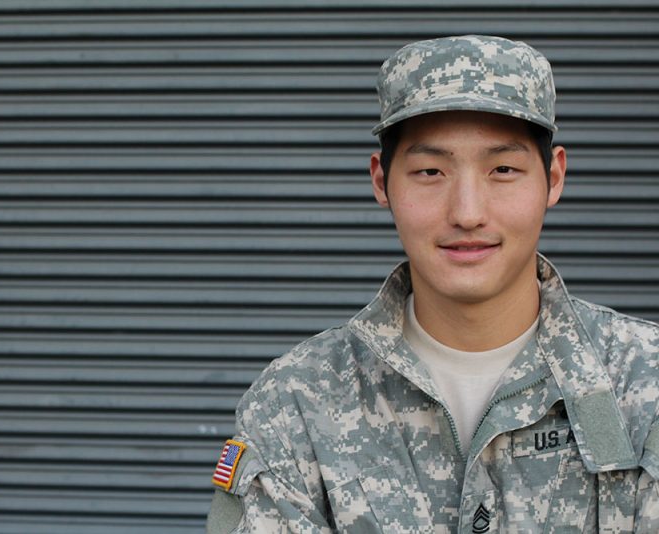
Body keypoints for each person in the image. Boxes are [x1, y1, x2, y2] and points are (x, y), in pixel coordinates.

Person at [205, 35, 659, 533]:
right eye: (430, 171)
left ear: (553, 178)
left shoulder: (645, 383)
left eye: (503, 169)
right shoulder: (294, 403)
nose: (467, 212)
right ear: (381, 182)